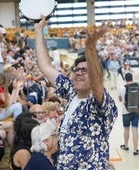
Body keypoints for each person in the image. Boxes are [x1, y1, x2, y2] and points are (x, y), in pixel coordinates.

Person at [34, 15, 118, 169]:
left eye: (85, 70)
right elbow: (45, 65)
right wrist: (39, 30)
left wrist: (90, 47)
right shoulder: (71, 92)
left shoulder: (100, 102)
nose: (78, 73)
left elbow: (97, 84)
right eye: (77, 69)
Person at [118, 72, 139, 155]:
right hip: (136, 111)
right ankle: (135, 149)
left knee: (126, 129)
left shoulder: (122, 88)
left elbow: (120, 100)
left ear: (125, 79)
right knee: (135, 130)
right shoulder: (137, 86)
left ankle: (126, 146)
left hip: (125, 112)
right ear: (132, 78)